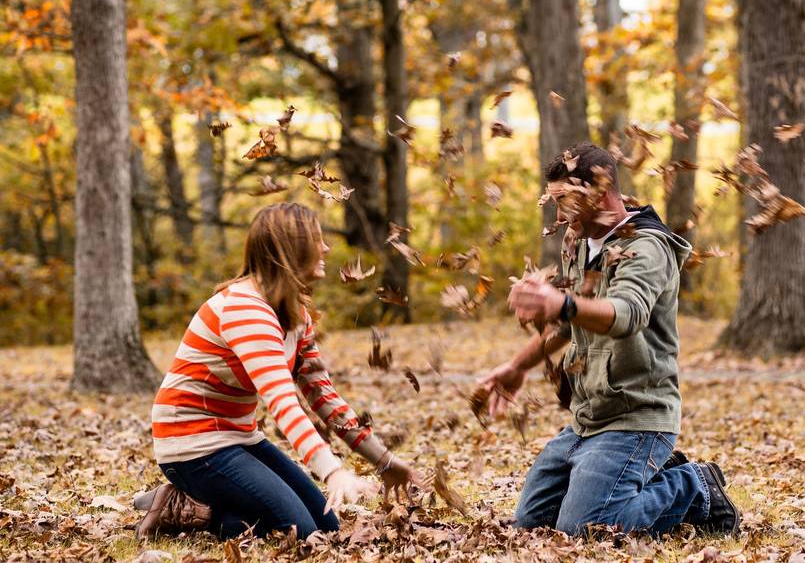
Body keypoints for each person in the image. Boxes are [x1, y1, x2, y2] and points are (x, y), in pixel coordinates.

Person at [477, 142, 740, 537]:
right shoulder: (580, 245)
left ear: (600, 191)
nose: (559, 214)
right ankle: (635, 479)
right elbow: (569, 324)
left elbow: (626, 314)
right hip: (587, 419)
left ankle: (695, 486)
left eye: (565, 200)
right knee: (532, 524)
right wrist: (517, 367)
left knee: (584, 529)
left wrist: (560, 302)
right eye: (553, 201)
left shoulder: (647, 246)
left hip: (636, 417)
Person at [135, 202, 422, 540]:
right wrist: (332, 473)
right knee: (298, 530)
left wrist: (384, 461)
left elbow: (324, 397)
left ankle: (199, 502)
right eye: (317, 239)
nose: (326, 247)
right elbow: (284, 405)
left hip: (237, 436)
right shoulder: (246, 310)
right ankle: (181, 507)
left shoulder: (295, 313)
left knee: (326, 525)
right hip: (191, 443)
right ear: (291, 247)